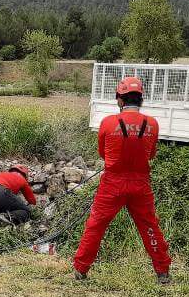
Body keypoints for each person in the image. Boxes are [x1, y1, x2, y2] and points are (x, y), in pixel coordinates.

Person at [72, 76, 171, 284]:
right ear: (140, 99)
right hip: (140, 184)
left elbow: (102, 154)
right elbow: (151, 154)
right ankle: (163, 272)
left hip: (112, 183)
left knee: (96, 226)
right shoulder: (152, 124)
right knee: (149, 226)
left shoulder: (108, 123)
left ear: (120, 99)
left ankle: (81, 270)